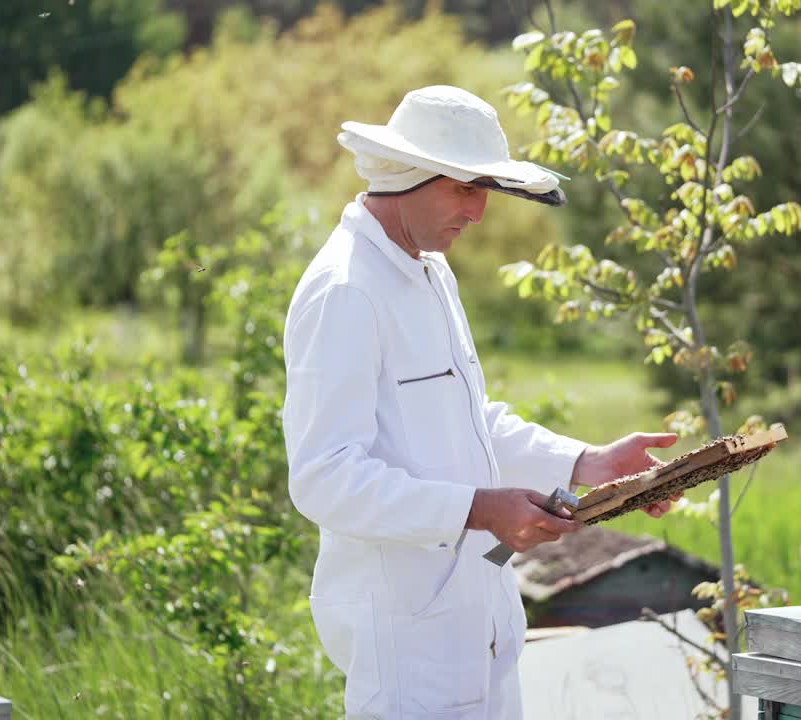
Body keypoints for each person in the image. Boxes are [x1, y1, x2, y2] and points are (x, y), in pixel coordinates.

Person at [281, 85, 680, 720]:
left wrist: (586, 462)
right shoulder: (346, 290)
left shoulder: (430, 270)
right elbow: (323, 477)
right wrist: (477, 508)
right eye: (466, 188)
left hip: (480, 630)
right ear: (409, 174)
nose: (480, 212)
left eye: (486, 190)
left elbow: (471, 423)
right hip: (406, 650)